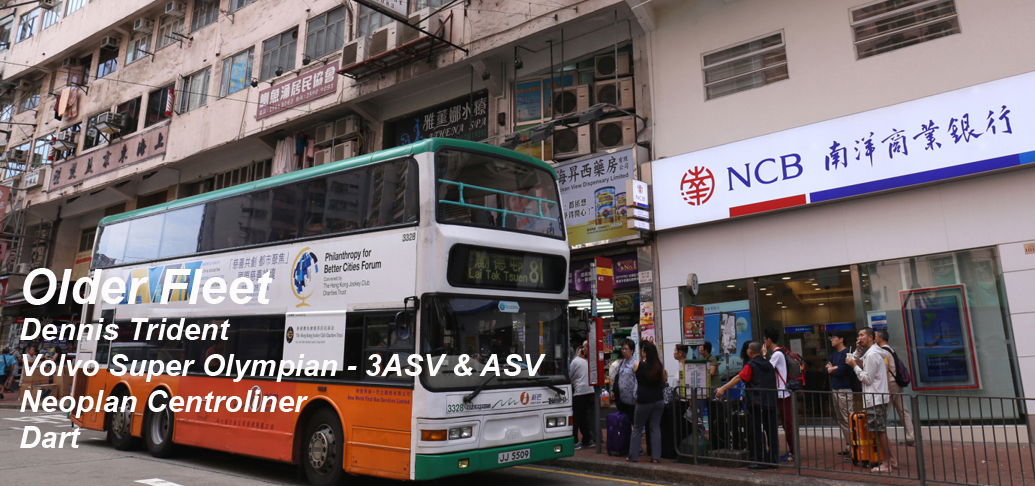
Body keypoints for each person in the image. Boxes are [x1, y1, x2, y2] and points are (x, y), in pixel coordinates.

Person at [715, 341, 778, 469]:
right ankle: (773, 459)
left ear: (750, 351)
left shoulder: (751, 365)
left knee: (757, 431)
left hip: (757, 402)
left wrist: (723, 388)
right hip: (770, 402)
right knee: (771, 431)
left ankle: (761, 460)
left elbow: (739, 378)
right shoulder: (768, 364)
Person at [846, 328, 897, 473]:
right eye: (858, 335)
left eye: (862, 335)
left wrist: (854, 366)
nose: (859, 337)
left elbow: (866, 378)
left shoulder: (873, 354)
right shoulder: (871, 353)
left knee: (879, 431)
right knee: (880, 430)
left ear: (870, 337)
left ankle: (887, 464)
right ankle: (891, 460)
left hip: (875, 397)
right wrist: (857, 351)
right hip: (876, 396)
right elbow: (861, 364)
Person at [875, 329, 915, 447]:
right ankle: (911, 437)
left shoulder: (883, 352)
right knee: (903, 411)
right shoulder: (890, 349)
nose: (874, 338)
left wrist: (885, 388)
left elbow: (885, 370)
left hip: (890, 384)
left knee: (884, 412)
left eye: (876, 336)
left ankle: (880, 438)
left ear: (881, 338)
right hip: (896, 384)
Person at [628, 341, 666, 463]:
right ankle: (655, 457)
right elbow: (663, 381)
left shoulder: (637, 364)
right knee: (655, 427)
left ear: (644, 353)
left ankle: (633, 456)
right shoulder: (659, 367)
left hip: (643, 400)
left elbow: (634, 373)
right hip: (658, 400)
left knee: (638, 428)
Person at [763, 327, 795, 462]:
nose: (764, 342)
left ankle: (793, 452)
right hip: (781, 394)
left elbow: (766, 369)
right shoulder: (778, 353)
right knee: (786, 423)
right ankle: (792, 451)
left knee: (788, 424)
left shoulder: (777, 354)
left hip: (784, 394)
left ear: (769, 340)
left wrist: (764, 355)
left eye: (765, 339)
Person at [825, 331, 856, 457]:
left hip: (844, 389)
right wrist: (832, 369)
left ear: (841, 339)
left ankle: (855, 446)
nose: (832, 339)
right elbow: (826, 369)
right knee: (841, 418)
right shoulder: (834, 354)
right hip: (835, 388)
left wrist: (833, 369)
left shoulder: (847, 353)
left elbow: (842, 370)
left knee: (848, 417)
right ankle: (849, 445)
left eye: (834, 337)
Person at [569, 341, 595, 450]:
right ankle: (587, 439)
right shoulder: (583, 361)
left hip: (580, 391)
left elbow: (569, 377)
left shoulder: (574, 362)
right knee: (583, 416)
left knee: (575, 417)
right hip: (589, 391)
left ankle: (575, 441)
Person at [612, 339, 637, 418]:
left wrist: (635, 397)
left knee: (633, 420)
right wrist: (612, 390)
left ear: (632, 350)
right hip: (621, 399)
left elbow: (637, 381)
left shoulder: (636, 363)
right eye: (623, 349)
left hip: (631, 399)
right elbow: (617, 378)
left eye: (626, 349)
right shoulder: (621, 363)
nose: (624, 351)